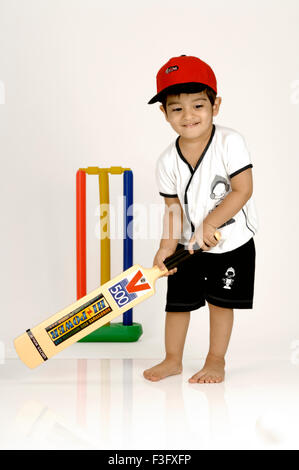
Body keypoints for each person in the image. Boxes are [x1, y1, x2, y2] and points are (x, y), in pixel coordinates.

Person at [143, 55, 258, 383]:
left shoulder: (230, 142)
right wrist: (166, 247)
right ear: (164, 112)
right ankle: (172, 360)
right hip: (187, 244)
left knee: (220, 304)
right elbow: (173, 210)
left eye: (198, 105)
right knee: (176, 304)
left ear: (215, 105)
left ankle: (215, 360)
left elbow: (242, 190)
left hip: (231, 242)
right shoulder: (167, 161)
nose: (188, 115)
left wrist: (209, 225)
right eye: (177, 108)